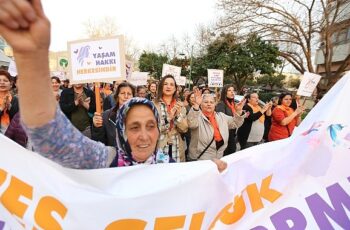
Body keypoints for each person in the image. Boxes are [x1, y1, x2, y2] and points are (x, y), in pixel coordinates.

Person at [0, 0, 226, 172]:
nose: (145, 136)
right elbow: (52, 140)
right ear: (121, 131)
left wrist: (206, 174)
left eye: (150, 126)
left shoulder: (172, 170)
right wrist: (31, 58)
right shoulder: (105, 161)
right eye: (134, 127)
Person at [187, 89, 245, 161]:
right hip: (201, 158)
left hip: (219, 156)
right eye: (205, 102)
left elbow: (235, 123)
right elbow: (192, 124)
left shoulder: (221, 116)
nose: (209, 104)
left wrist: (239, 112)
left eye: (211, 102)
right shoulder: (197, 116)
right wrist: (196, 105)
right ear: (201, 104)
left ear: (215, 104)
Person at [153, 75, 188, 162]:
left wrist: (177, 115)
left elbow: (184, 129)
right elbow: (152, 128)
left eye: (172, 84)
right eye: (165, 84)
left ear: (175, 88)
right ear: (161, 87)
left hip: (176, 145)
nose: (168, 86)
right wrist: (168, 118)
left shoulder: (180, 106)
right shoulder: (153, 105)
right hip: (159, 145)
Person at [92, 82, 135, 147]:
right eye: (122, 93)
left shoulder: (139, 115)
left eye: (129, 94)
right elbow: (99, 143)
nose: (126, 96)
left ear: (133, 97)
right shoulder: (106, 116)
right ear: (117, 96)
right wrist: (97, 128)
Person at [215, 84, 240, 155]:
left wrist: (239, 112)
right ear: (224, 93)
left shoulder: (233, 104)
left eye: (233, 90)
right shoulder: (221, 104)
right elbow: (221, 121)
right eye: (229, 90)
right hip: (225, 135)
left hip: (232, 133)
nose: (232, 92)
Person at [0, 70, 19, 134]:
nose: (2, 83)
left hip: (11, 135)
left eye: (5, 81)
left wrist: (9, 108)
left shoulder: (16, 100)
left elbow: (18, 120)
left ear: (11, 84)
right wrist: (1, 108)